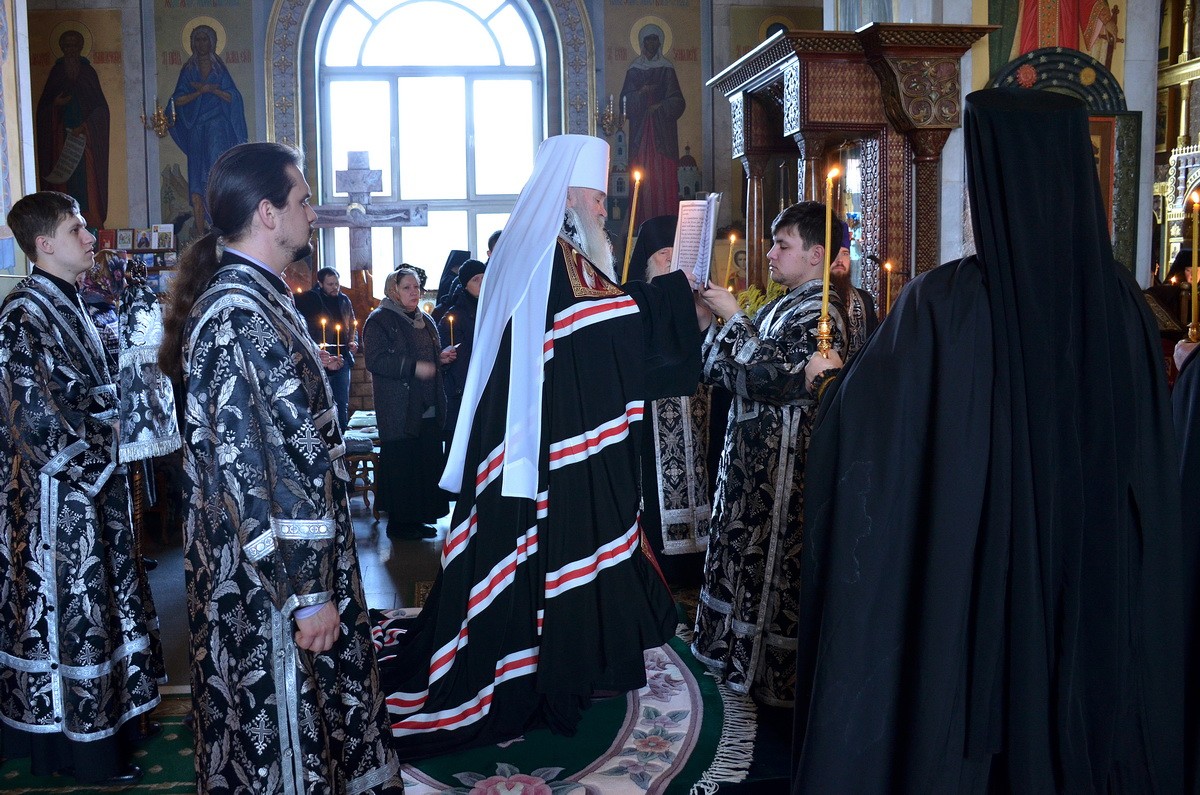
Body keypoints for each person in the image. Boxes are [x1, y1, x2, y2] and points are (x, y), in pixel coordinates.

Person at [792, 87, 1186, 791]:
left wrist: (827, 389)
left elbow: (872, 447)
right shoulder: (1124, 303)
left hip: (973, 602)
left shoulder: (944, 304)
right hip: (1089, 601)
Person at [374, 134, 707, 757]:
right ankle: (542, 665)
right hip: (542, 442)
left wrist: (656, 296)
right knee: (546, 552)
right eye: (597, 198)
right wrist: (670, 294)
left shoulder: (545, 250)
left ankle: (572, 657)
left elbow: (593, 326)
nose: (604, 209)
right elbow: (598, 330)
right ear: (570, 196)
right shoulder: (555, 255)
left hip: (539, 432)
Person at [157, 142, 401, 792]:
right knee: (281, 731)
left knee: (316, 720)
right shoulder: (239, 315)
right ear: (267, 213)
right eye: (302, 200)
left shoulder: (258, 298)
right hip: (269, 580)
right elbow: (256, 472)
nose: (312, 213)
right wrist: (309, 594)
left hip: (288, 567)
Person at [0, 191, 160, 785]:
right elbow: (34, 419)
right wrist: (110, 435)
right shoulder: (22, 315)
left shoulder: (68, 301)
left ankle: (109, 732)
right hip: (58, 502)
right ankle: (76, 751)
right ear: (44, 244)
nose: (91, 238)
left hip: (92, 492)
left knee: (103, 610)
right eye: (77, 230)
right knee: (72, 618)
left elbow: (92, 389)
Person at [690, 201, 847, 708]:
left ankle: (767, 676)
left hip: (785, 470)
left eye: (783, 245)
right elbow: (721, 370)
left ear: (816, 254)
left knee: (770, 569)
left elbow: (771, 377)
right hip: (749, 463)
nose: (771, 255)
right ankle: (730, 656)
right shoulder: (781, 305)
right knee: (739, 556)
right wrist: (715, 324)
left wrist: (735, 318)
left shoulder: (822, 313)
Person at [627, 214, 710, 586]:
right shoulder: (635, 302)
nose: (674, 261)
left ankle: (697, 567)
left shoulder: (701, 300)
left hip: (697, 424)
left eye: (680, 253)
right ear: (647, 261)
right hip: (653, 428)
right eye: (664, 254)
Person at [363, 267, 456, 539]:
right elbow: (376, 361)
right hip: (400, 408)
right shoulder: (379, 320)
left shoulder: (425, 320)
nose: (414, 292)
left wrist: (440, 359)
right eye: (407, 287)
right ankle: (400, 525)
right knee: (404, 465)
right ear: (393, 290)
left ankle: (417, 520)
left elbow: (429, 357)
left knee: (423, 463)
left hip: (428, 405)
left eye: (416, 287)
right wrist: (414, 367)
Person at [169, 23, 248, 236]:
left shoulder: (219, 69)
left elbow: (234, 97)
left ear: (212, 42)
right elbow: (176, 101)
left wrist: (214, 90)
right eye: (197, 39)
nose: (201, 43)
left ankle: (219, 230)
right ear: (192, 43)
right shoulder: (189, 70)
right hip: (197, 132)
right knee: (197, 182)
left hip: (218, 131)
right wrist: (200, 92)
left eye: (205, 39)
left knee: (215, 177)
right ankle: (201, 234)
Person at [35, 29, 109, 227]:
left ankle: (91, 224)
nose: (71, 49)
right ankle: (62, 224)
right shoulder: (57, 73)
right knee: (63, 185)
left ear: (80, 47)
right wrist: (55, 105)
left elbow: (102, 110)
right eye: (67, 46)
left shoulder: (88, 73)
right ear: (61, 48)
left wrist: (86, 126)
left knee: (88, 184)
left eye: (74, 45)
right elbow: (42, 109)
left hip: (85, 144)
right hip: (61, 142)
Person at [620, 24, 686, 223]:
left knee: (663, 175)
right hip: (641, 133)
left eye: (654, 39)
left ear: (660, 42)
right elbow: (625, 102)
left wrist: (660, 106)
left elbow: (678, 101)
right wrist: (641, 93)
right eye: (648, 39)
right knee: (640, 173)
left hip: (663, 133)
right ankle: (639, 223)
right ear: (642, 42)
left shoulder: (667, 68)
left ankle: (667, 224)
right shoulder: (634, 69)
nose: (651, 43)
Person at [295, 266, 358, 429]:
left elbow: (352, 324)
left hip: (342, 357)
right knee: (325, 403)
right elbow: (307, 330)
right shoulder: (312, 301)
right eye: (330, 284)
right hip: (323, 358)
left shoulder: (344, 300)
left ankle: (343, 434)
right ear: (320, 283)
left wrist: (354, 341)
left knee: (342, 401)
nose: (335, 287)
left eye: (337, 283)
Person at [437, 258, 484, 441]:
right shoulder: (453, 316)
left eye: (484, 277)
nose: (481, 282)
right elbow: (452, 359)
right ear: (465, 285)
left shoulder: (491, 309)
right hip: (462, 392)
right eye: (475, 279)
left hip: (484, 388)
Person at [830, 220, 878, 360]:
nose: (840, 260)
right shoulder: (812, 299)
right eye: (834, 254)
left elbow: (874, 347)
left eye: (845, 253)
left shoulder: (864, 300)